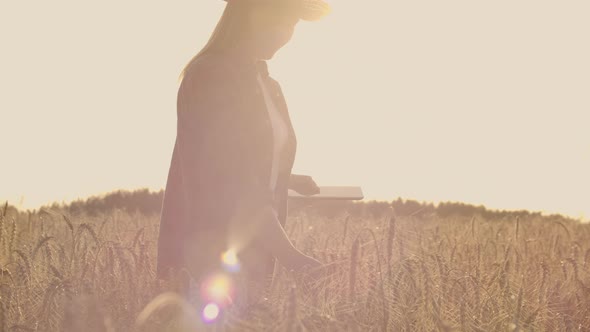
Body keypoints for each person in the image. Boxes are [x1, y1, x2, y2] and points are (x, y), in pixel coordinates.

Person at [156, 0, 331, 300]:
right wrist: (292, 258)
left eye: (293, 25)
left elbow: (241, 160)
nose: (287, 34)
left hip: (253, 259)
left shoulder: (266, 82)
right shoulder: (211, 75)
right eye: (283, 22)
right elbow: (229, 177)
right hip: (211, 262)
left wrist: (286, 178)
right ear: (253, 13)